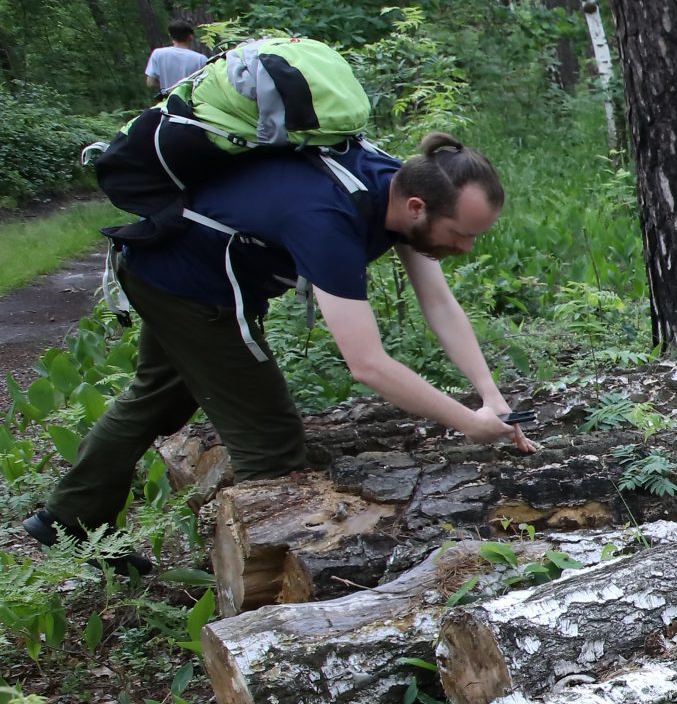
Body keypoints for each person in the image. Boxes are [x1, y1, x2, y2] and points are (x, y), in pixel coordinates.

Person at [27, 132, 535, 569]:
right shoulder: (327, 218)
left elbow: (439, 303)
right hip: (187, 287)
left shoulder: (398, 185)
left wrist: (490, 396)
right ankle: (266, 604)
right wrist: (467, 423)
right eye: (461, 235)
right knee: (270, 444)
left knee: (159, 396)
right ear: (418, 208)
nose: (466, 247)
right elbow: (367, 364)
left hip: (175, 267)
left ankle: (69, 519)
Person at [143, 22, 209, 98]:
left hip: (167, 101)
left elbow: (150, 83)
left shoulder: (158, 54)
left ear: (171, 36)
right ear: (190, 37)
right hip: (191, 101)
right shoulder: (201, 59)